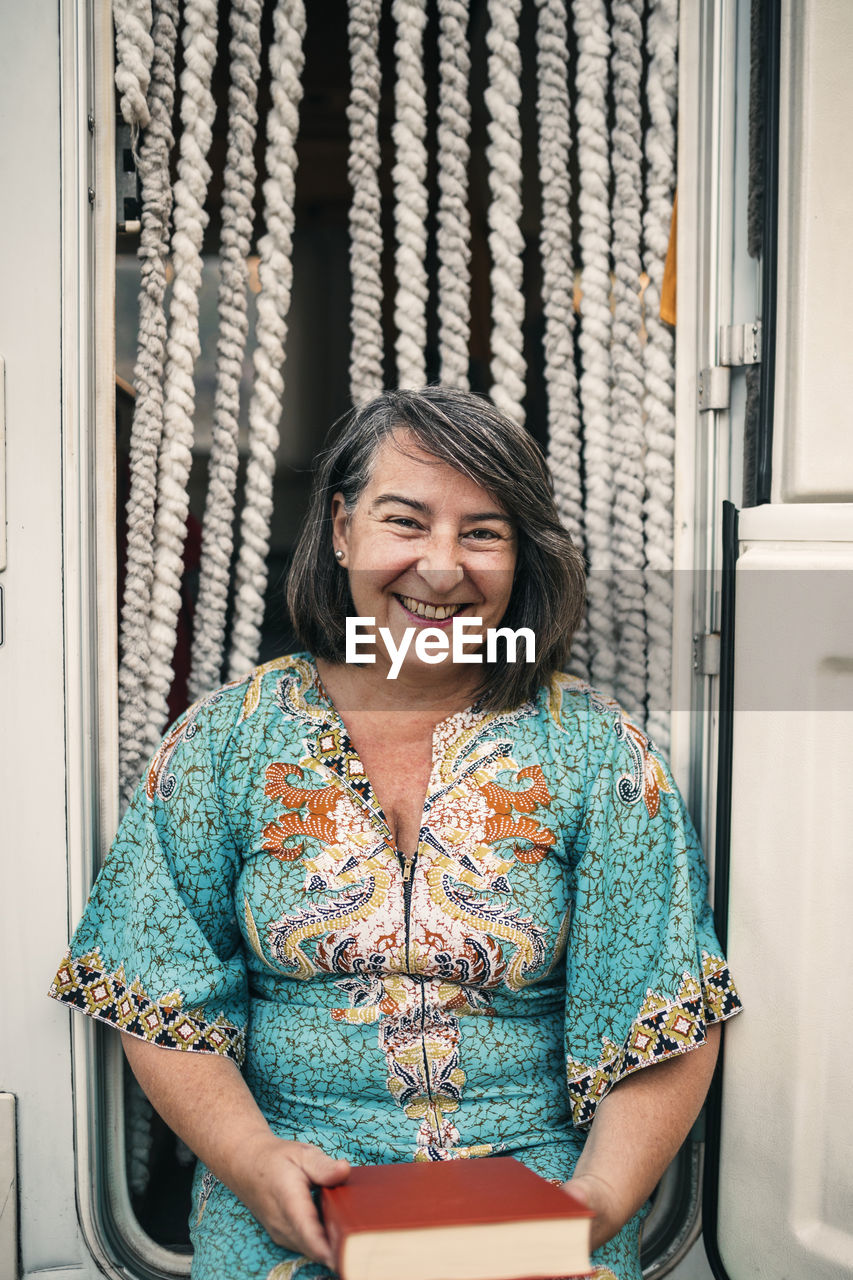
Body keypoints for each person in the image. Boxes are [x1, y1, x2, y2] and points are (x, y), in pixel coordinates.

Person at [49, 387, 742, 1280]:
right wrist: (256, 1167)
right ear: (341, 531)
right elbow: (159, 995)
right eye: (404, 521)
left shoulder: (600, 753)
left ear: (521, 555)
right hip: (288, 1217)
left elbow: (661, 1014)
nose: (442, 567)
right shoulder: (223, 740)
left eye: (484, 532)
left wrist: (593, 1205)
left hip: (542, 1221)